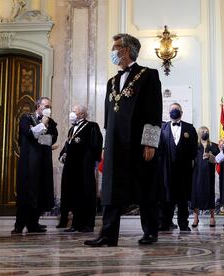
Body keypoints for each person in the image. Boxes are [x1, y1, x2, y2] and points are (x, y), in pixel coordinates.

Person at [84, 33, 162, 247]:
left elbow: (154, 111)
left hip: (139, 142)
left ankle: (150, 232)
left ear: (126, 50)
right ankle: (108, 235)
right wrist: (104, 146)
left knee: (145, 187)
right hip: (114, 143)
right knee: (111, 188)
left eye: (116, 47)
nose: (113, 51)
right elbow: (109, 117)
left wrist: (150, 142)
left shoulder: (148, 75)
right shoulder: (112, 81)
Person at [11, 97, 58, 234]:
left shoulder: (52, 123)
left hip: (43, 163)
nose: (48, 108)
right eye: (46, 106)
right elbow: (28, 133)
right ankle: (19, 225)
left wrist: (38, 136)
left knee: (40, 193)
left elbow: (52, 139)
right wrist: (42, 126)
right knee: (26, 193)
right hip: (29, 163)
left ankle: (33, 223)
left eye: (50, 106)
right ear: (38, 106)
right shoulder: (26, 118)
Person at [59, 105, 103, 233]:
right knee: (75, 195)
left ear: (82, 114)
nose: (71, 114)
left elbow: (96, 144)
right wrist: (65, 155)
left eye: (74, 111)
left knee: (87, 194)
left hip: (85, 167)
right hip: (73, 169)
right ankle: (76, 224)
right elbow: (69, 145)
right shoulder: (72, 129)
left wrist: (90, 160)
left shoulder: (92, 126)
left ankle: (88, 225)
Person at [159, 103, 197, 232]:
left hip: (183, 170)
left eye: (176, 110)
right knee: (167, 198)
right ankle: (165, 223)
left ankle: (183, 224)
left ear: (181, 112)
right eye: (172, 110)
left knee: (182, 199)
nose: (174, 112)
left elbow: (194, 150)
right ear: (168, 113)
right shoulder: (163, 128)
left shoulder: (189, 128)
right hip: (167, 169)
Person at [191, 126, 219, 227]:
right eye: (203, 131)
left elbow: (218, 159)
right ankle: (195, 218)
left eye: (207, 131)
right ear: (199, 133)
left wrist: (211, 157)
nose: (205, 132)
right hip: (196, 173)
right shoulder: (194, 146)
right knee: (196, 194)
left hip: (209, 174)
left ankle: (212, 218)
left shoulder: (214, 146)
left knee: (210, 193)